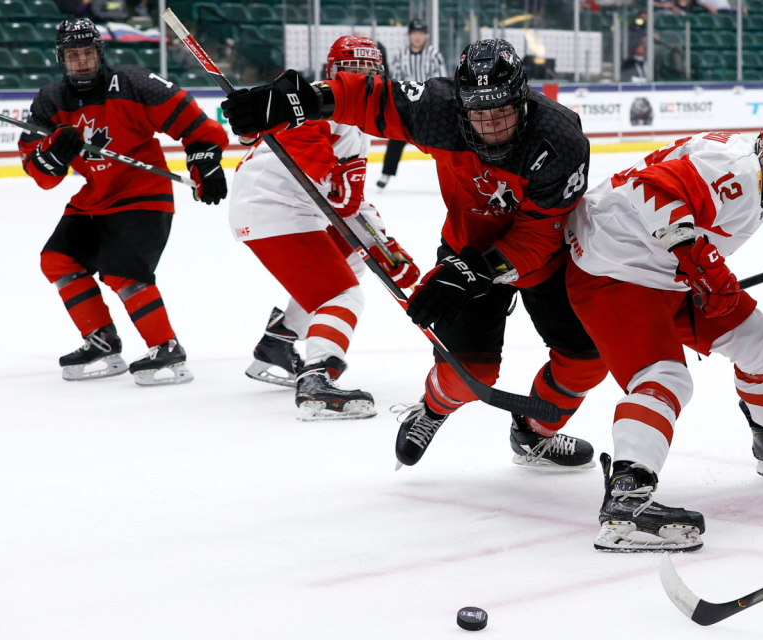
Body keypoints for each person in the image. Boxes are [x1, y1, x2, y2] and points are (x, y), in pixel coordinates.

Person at [221, 39, 608, 469]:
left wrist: (477, 272)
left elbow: (537, 236)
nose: (493, 126)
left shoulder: (559, 141)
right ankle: (433, 409)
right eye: (480, 113)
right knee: (469, 378)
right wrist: (303, 101)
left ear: (524, 99)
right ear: (460, 107)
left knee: (587, 360)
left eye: (503, 111)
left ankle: (534, 435)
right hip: (467, 248)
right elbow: (370, 97)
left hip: (542, 262)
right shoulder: (438, 109)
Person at [563, 107, 763, 552]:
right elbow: (647, 186)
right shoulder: (729, 174)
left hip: (669, 270)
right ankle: (626, 503)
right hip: (613, 269)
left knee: (761, 339)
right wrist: (698, 256)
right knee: (664, 378)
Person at [19, 17, 228, 385]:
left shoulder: (133, 82)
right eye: (73, 55)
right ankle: (101, 339)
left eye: (87, 53)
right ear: (60, 59)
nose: (81, 61)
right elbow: (41, 175)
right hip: (93, 200)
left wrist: (204, 162)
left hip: (144, 195)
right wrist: (53, 154)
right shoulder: (50, 101)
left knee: (124, 272)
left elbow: (194, 124)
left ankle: (166, 347)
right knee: (56, 259)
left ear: (100, 53)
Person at [228, 36, 420, 421]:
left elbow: (351, 202)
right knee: (344, 296)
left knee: (353, 260)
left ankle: (279, 341)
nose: (361, 81)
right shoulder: (313, 107)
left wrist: (384, 247)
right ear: (331, 73)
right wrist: (333, 179)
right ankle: (317, 379)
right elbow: (315, 162)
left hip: (287, 209)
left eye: (370, 73)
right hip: (273, 209)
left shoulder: (355, 123)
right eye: (352, 71)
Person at [375, 18, 447, 190]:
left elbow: (441, 81)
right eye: (414, 33)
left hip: (430, 107)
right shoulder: (401, 55)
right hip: (407, 107)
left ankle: (450, 177)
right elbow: (396, 82)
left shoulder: (434, 55)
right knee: (396, 138)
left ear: (426, 36)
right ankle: (386, 174)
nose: (417, 37)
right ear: (409, 35)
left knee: (445, 142)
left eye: (421, 33)